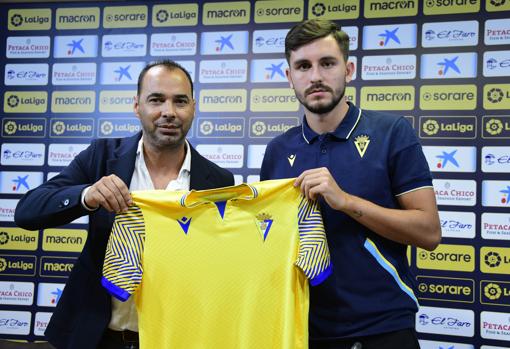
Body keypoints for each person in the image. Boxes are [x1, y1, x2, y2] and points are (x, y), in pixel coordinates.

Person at [15, 60, 234, 349]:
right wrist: (87, 195)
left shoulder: (219, 180)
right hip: (95, 336)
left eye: (180, 101)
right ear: (137, 106)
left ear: (193, 107)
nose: (168, 112)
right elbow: (27, 211)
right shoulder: (101, 157)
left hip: (174, 339)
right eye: (156, 100)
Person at [260, 19, 441, 349]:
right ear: (289, 77)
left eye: (327, 63)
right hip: (302, 328)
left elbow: (429, 232)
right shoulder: (278, 150)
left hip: (382, 327)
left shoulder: (392, 133)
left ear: (349, 69)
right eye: (303, 66)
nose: (315, 76)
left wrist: (346, 202)